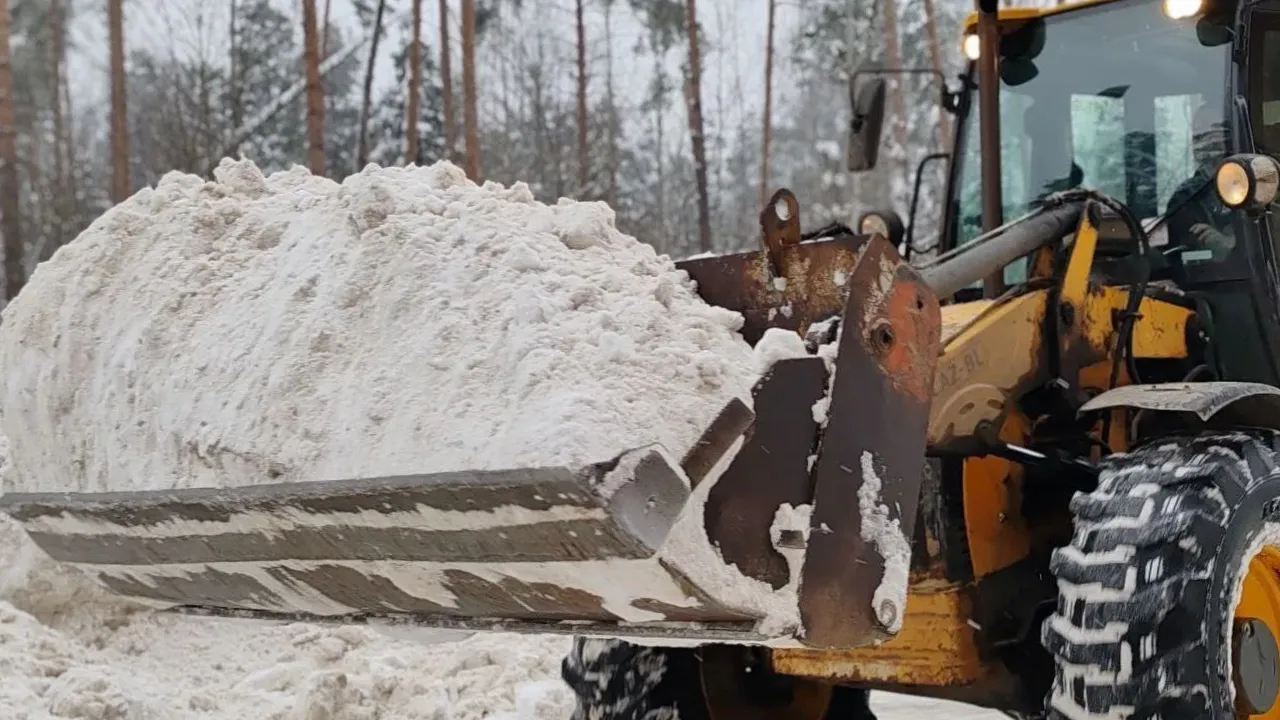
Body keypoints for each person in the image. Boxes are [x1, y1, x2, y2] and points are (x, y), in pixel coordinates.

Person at [1165, 102, 1236, 258]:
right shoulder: (1184, 199)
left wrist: (1230, 245)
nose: (1207, 141)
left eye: (1215, 130)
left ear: (1232, 136)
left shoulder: (1260, 185)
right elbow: (1173, 259)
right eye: (1199, 135)